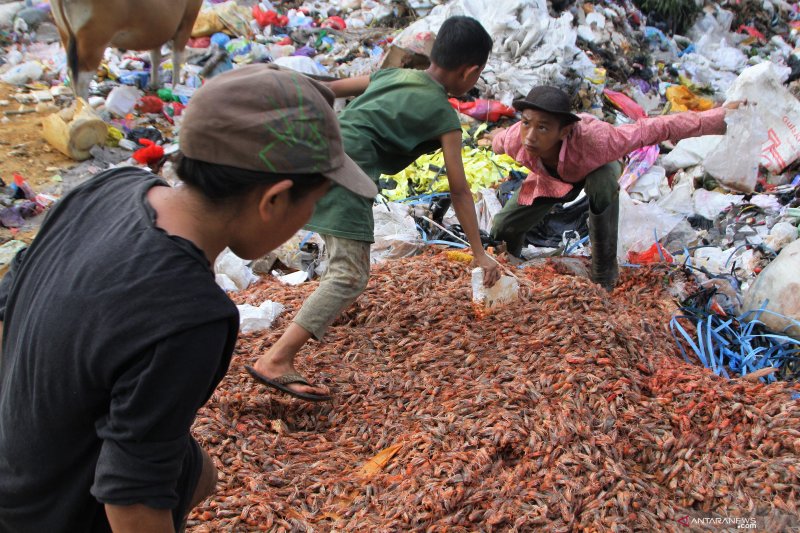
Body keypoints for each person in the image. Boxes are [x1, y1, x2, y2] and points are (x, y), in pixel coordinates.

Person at [0, 65, 377, 533]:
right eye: (313, 202)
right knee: (163, 478)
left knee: (195, 471)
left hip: (16, 455)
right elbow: (132, 499)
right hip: (45, 513)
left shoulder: (110, 186)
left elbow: (12, 299)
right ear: (274, 200)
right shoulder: (192, 315)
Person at [247, 16, 501, 402]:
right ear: (471, 72)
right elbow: (460, 190)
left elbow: (328, 89)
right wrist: (479, 253)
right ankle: (277, 359)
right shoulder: (444, 115)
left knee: (340, 258)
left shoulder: (392, 77)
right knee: (349, 277)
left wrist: (275, 83)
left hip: (317, 150)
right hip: (346, 172)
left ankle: (315, 320)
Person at [487, 85, 739, 291]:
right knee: (502, 225)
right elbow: (499, 140)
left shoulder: (598, 139)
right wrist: (489, 138)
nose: (530, 136)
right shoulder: (516, 140)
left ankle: (604, 272)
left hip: (595, 166)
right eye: (526, 123)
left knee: (603, 182)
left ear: (563, 131)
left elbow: (658, 128)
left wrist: (719, 119)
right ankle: (509, 269)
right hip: (551, 179)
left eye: (542, 127)